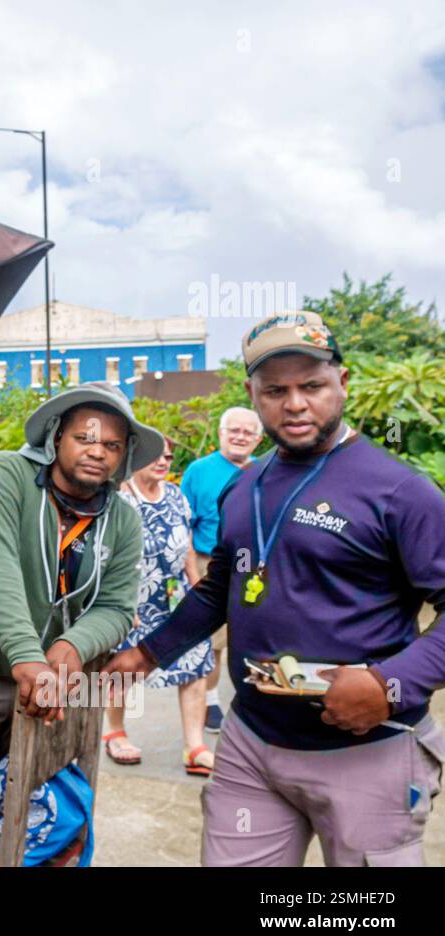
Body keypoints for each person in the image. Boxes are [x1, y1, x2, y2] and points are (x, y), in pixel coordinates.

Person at [105, 310, 445, 866]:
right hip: (251, 743)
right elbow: (220, 589)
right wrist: (147, 653)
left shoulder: (401, 492)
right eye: (275, 390)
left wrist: (389, 684)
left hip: (370, 749)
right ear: (252, 393)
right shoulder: (243, 487)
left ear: (343, 382)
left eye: (311, 385)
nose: (294, 404)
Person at [0, 381, 162, 813]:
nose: (97, 450)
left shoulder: (122, 520)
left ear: (124, 456)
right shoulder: (3, 475)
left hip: (51, 677)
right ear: (55, 437)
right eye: (84, 437)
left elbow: (118, 607)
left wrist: (72, 645)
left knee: (33, 794)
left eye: (112, 444)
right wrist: (28, 656)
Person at [103, 434, 215, 775]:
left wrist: (198, 590)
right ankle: (115, 732)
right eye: (157, 456)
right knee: (124, 670)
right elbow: (106, 554)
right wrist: (120, 604)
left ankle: (195, 746)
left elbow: (189, 549)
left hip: (176, 597)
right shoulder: (121, 500)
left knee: (195, 665)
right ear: (136, 458)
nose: (164, 462)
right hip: (133, 600)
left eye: (169, 457)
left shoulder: (177, 496)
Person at [179, 406, 262, 732]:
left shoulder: (267, 469)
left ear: (258, 439)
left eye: (248, 433)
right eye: (234, 431)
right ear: (221, 434)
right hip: (209, 563)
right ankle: (211, 700)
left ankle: (254, 704)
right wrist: (192, 575)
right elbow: (183, 525)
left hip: (256, 566)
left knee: (253, 637)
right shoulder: (199, 471)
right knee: (211, 642)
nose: (240, 437)